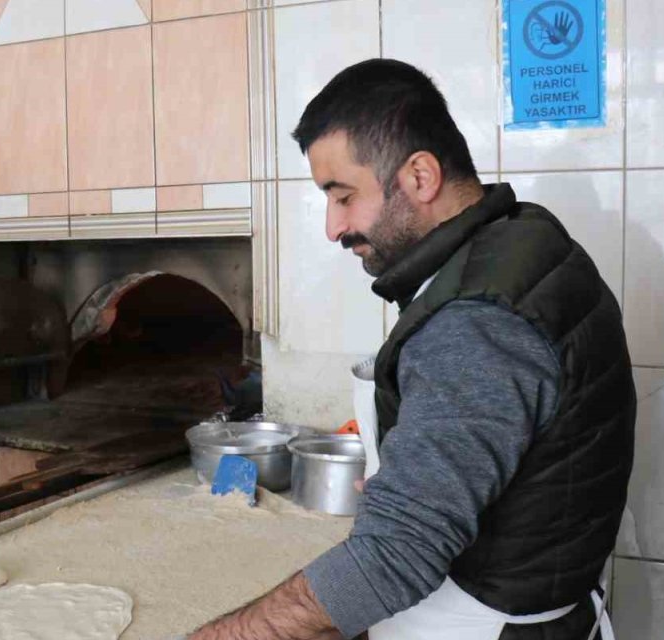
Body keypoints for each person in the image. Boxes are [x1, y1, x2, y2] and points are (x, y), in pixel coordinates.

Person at [191, 59, 635, 640]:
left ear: (420, 176)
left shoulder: (478, 321)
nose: (332, 226)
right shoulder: (521, 241)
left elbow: (393, 559)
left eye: (343, 196)